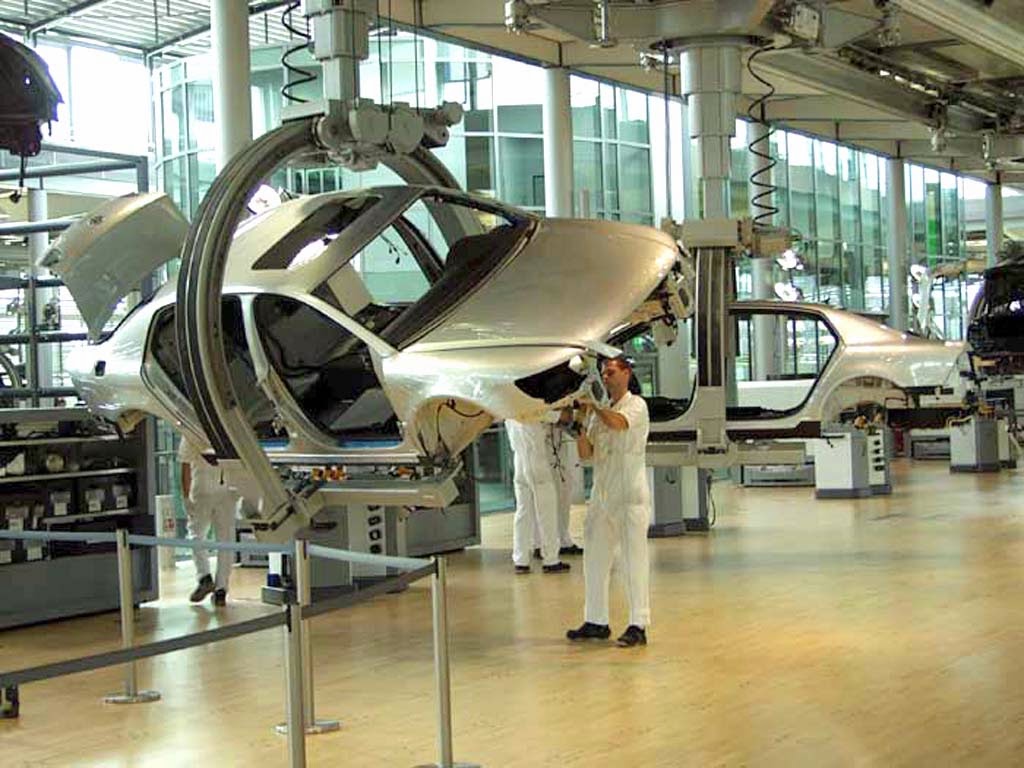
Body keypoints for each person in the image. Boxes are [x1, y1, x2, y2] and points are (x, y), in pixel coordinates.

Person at [566, 356, 651, 648]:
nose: (606, 377)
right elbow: (586, 454)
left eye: (611, 372)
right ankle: (596, 620)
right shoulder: (597, 414)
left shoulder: (636, 405)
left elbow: (618, 424)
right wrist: (577, 426)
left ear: (627, 373)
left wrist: (594, 405)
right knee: (594, 558)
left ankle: (638, 624)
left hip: (629, 497)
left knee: (633, 561)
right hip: (601, 496)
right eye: (603, 374)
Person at [179, 434, 239, 606]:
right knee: (226, 540)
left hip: (201, 489)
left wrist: (185, 496)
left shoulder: (191, 432)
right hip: (227, 489)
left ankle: (204, 576)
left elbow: (185, 466)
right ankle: (221, 589)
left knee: (196, 534)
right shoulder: (228, 431)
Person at [505, 418, 570, 575]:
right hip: (536, 461)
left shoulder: (509, 411)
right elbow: (550, 415)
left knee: (522, 511)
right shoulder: (529, 408)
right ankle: (551, 559)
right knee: (547, 510)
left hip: (519, 459)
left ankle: (521, 560)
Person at [532, 419, 583, 558]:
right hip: (542, 446)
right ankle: (539, 543)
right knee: (544, 500)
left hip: (561, 445)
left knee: (564, 495)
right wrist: (557, 416)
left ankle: (563, 539)